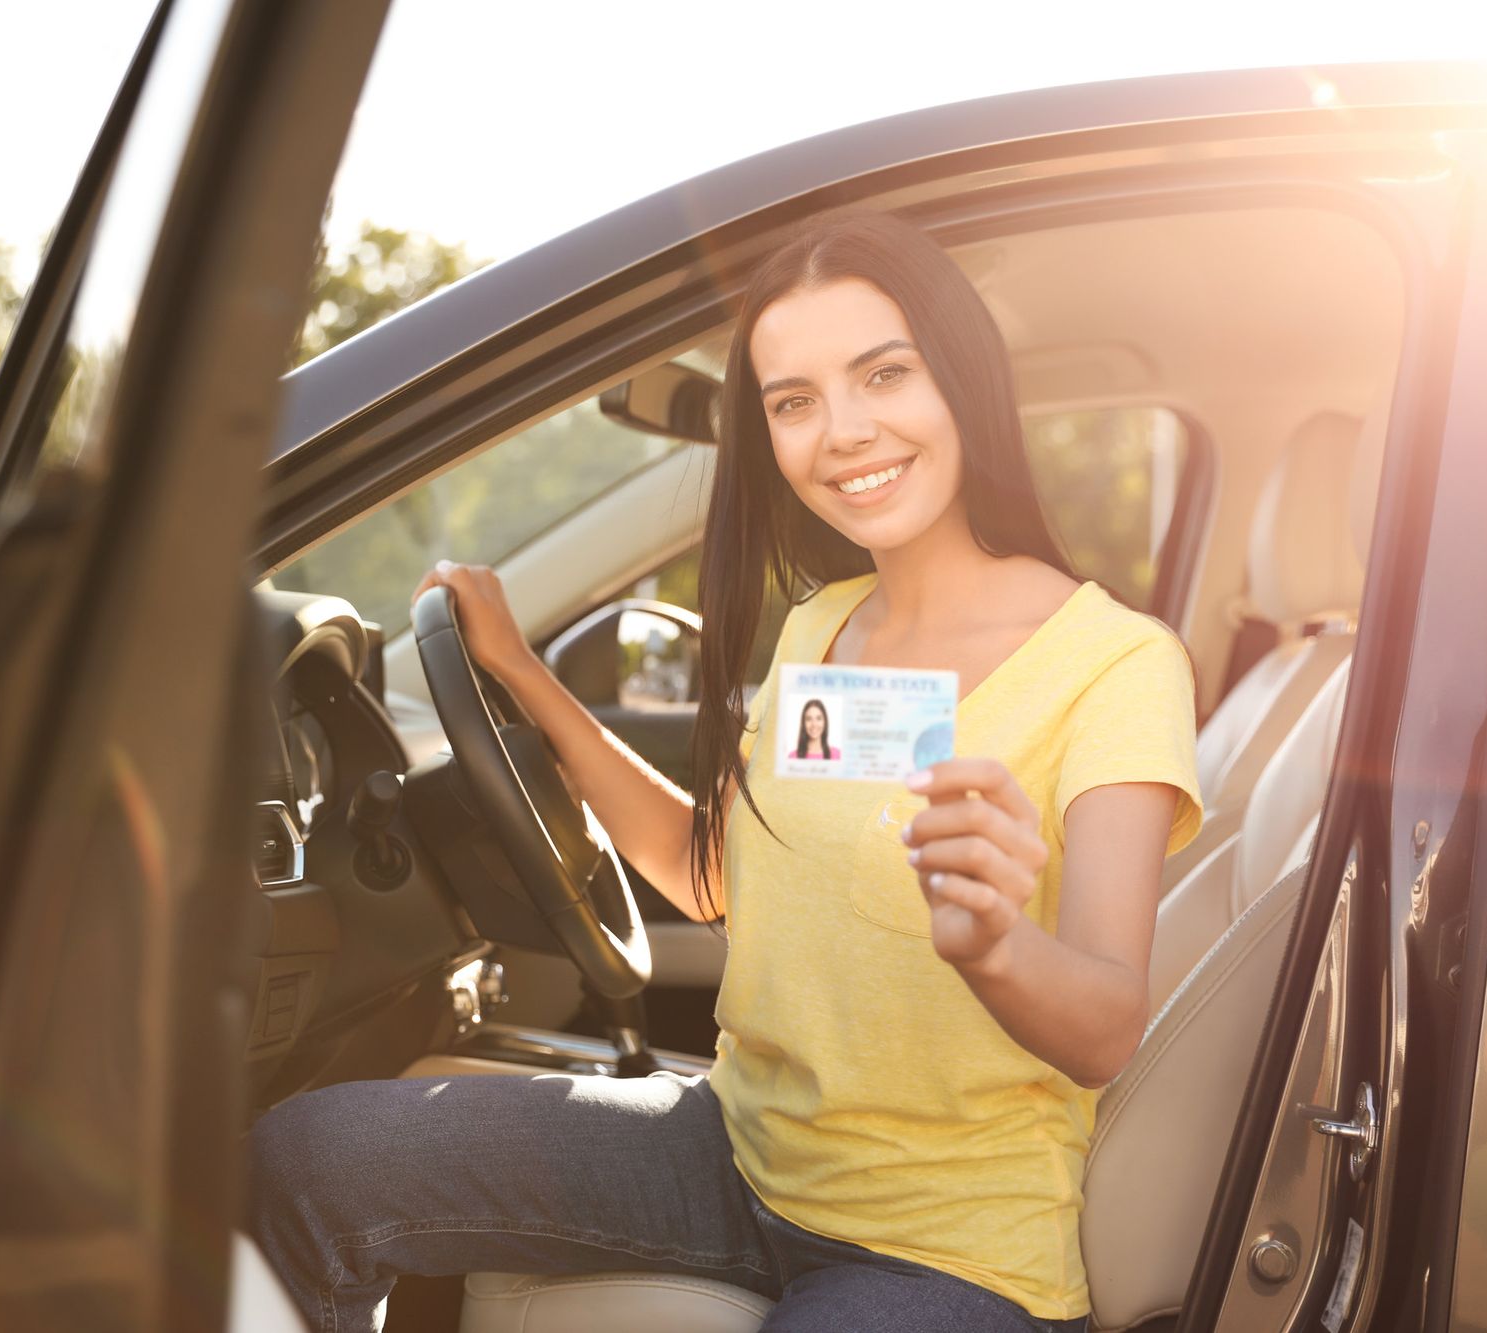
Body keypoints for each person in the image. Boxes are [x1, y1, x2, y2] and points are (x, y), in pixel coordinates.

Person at [246, 209, 1203, 1332]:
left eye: (881, 373)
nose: (840, 432)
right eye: (792, 401)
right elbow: (718, 877)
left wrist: (997, 944)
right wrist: (521, 676)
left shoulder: (1114, 664)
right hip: (731, 1151)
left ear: (960, 377)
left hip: (947, 1252)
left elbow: (1102, 1021)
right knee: (303, 1161)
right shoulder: (827, 626)